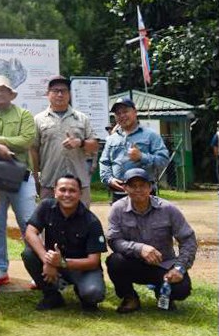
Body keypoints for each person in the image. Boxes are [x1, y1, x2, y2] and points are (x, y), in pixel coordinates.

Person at [105, 167, 197, 313]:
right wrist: (139, 248)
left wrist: (179, 268)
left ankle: (163, 293)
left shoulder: (168, 209)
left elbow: (188, 240)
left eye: (142, 185)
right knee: (114, 261)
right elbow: (114, 240)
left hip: (164, 265)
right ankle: (130, 298)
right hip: (133, 263)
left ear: (150, 187)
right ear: (125, 188)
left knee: (181, 289)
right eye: (133, 186)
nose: (138, 190)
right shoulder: (117, 209)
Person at [0, 75, 36, 288]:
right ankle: (0, 268)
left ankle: (36, 267)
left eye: (3, 90)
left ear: (11, 94)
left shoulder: (24, 115)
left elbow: (26, 141)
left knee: (29, 223)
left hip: (21, 177)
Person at [22, 174, 106, 311]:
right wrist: (48, 261)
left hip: (81, 268)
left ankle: (82, 291)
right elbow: (30, 233)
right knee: (29, 254)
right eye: (62, 190)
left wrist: (61, 263)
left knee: (93, 294)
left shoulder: (91, 221)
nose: (67, 194)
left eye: (72, 191)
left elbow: (93, 261)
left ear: (80, 193)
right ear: (55, 191)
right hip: (54, 263)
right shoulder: (46, 206)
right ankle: (52, 296)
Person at [31, 75, 99, 205]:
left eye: (64, 91)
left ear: (70, 94)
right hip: (50, 183)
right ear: (48, 94)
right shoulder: (38, 120)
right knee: (50, 217)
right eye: (55, 91)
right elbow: (33, 150)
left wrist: (80, 143)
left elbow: (95, 146)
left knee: (81, 218)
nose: (60, 94)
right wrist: (36, 178)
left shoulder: (82, 118)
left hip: (79, 184)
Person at [99, 96, 169, 203]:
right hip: (119, 194)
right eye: (118, 113)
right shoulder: (112, 139)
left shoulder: (151, 135)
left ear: (135, 112)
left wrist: (142, 157)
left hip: (144, 194)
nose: (122, 115)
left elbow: (163, 160)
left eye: (125, 111)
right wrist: (109, 179)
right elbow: (104, 162)